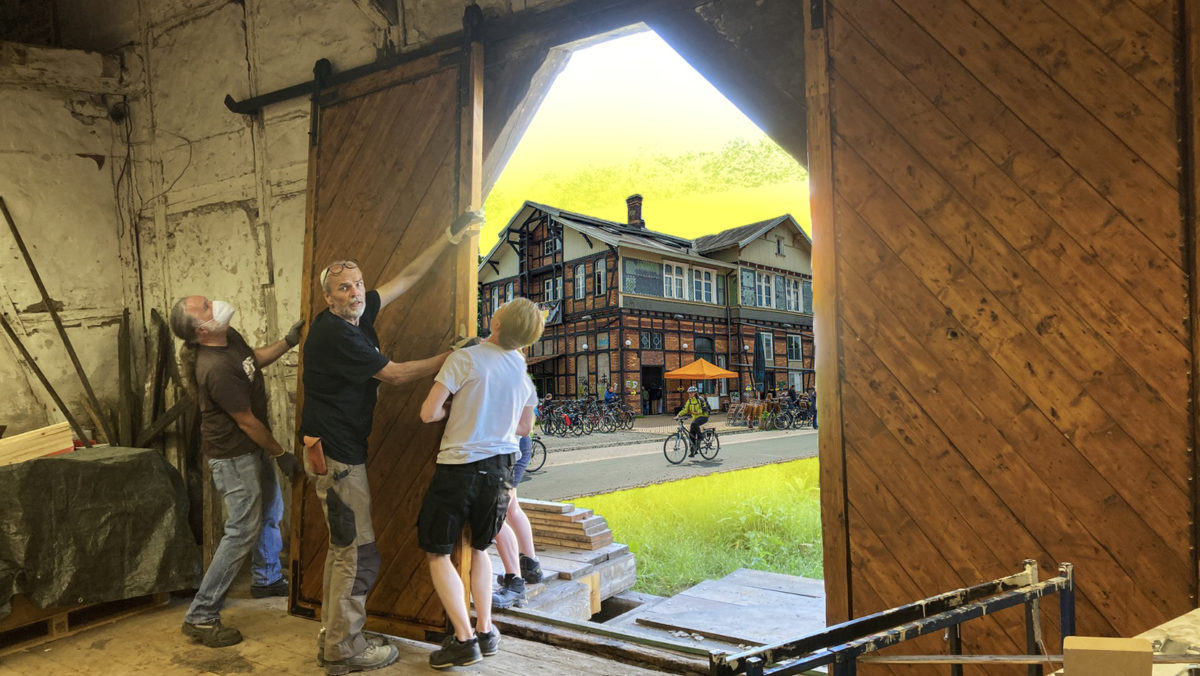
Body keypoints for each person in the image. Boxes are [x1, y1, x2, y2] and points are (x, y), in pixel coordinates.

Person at [301, 210, 482, 675]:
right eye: (344, 287)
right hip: (337, 457)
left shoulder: (358, 313)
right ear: (328, 297)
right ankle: (344, 648)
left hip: (335, 450)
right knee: (358, 552)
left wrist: (448, 236)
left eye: (358, 283)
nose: (355, 292)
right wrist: (455, 356)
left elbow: (407, 277)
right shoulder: (335, 333)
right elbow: (395, 373)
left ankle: (336, 634)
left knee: (346, 549)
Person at [169, 295, 304, 648]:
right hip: (233, 456)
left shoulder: (230, 339)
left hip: (251, 447)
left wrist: (289, 341)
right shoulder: (213, 367)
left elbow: (253, 361)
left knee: (271, 510)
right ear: (201, 329)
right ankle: (201, 614)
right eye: (207, 306)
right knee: (241, 529)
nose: (215, 303)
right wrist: (282, 453)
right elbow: (246, 421)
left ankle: (267, 577)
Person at [418, 298, 544, 669]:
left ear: (497, 324)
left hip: (459, 467)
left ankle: (463, 639)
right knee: (479, 548)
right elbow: (524, 428)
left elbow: (428, 413)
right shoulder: (523, 375)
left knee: (438, 551)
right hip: (502, 469)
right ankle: (486, 630)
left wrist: (453, 410)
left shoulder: (465, 359)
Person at [491, 432, 544, 610]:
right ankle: (530, 566)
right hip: (517, 447)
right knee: (512, 509)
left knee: (495, 515)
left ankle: (514, 580)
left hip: (509, 449)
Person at [676, 386, 709, 455]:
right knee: (691, 434)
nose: (689, 394)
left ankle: (701, 436)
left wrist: (698, 412)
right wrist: (678, 415)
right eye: (689, 393)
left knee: (694, 424)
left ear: (695, 393)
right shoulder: (689, 401)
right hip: (696, 419)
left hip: (703, 416)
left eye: (691, 393)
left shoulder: (700, 399)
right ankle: (693, 451)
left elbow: (705, 408)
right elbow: (685, 410)